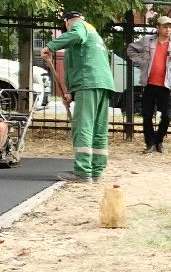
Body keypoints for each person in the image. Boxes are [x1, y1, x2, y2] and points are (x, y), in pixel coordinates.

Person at [42, 11, 116, 183]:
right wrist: (72, 93)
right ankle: (96, 170)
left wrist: (51, 46)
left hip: (88, 83)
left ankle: (82, 171)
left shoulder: (78, 28)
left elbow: (75, 36)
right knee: (99, 128)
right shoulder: (93, 31)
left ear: (67, 22)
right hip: (103, 83)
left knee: (83, 126)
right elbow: (86, 60)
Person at [127, 15, 171, 153]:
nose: (168, 29)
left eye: (170, 27)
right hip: (149, 84)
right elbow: (130, 49)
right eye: (165, 27)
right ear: (158, 27)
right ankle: (150, 144)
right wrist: (142, 61)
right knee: (147, 115)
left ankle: (158, 141)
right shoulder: (148, 41)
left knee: (167, 116)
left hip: (165, 86)